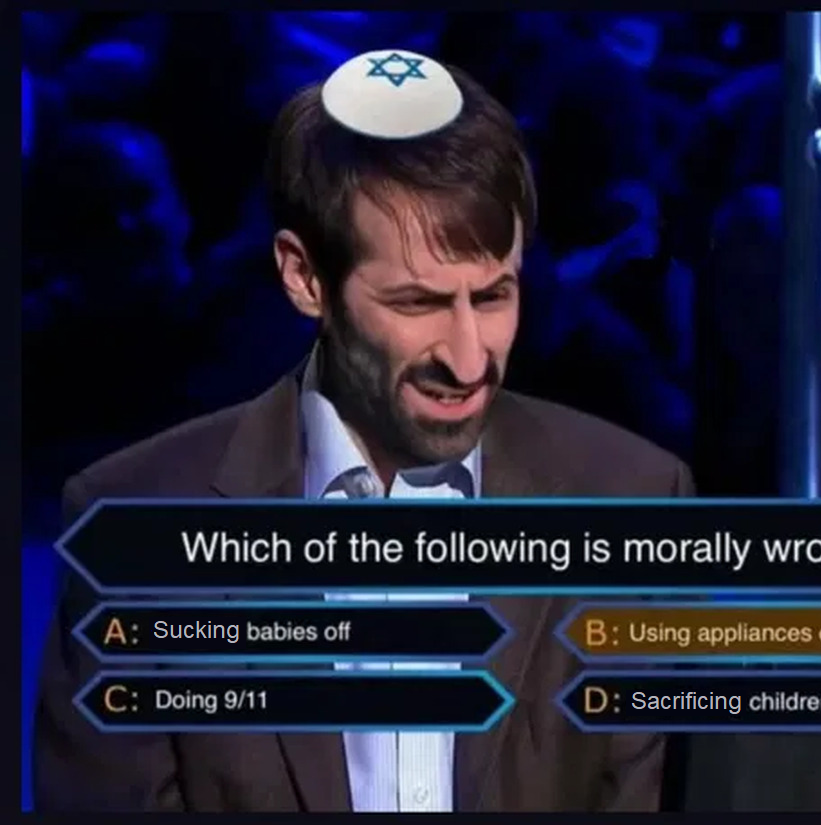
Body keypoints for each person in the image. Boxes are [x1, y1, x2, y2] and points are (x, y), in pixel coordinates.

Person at [33, 50, 695, 813]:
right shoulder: (133, 532)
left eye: (493, 296)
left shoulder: (634, 500)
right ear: (304, 277)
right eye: (416, 303)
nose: (468, 358)